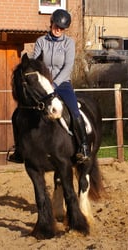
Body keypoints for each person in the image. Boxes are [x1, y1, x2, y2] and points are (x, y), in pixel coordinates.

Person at [7, 9, 90, 163]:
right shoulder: (41, 42)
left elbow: (68, 67)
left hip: (62, 84)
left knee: (74, 110)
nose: (58, 30)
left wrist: (55, 83)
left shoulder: (68, 43)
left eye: (62, 28)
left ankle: (83, 146)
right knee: (17, 114)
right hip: (43, 85)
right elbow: (36, 62)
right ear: (51, 24)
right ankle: (19, 150)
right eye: (56, 26)